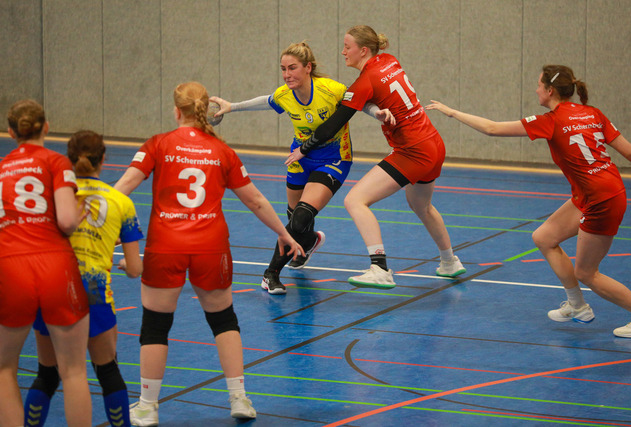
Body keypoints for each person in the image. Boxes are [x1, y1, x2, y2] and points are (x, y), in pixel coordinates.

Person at [114, 81, 304, 424]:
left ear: (177, 111)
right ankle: (239, 399)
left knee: (155, 326)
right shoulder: (222, 151)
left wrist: (98, 222)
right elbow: (255, 200)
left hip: (165, 245)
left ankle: (147, 406)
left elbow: (123, 187)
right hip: (210, 247)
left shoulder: (158, 144)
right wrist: (284, 233)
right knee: (223, 320)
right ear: (204, 110)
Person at [426, 65, 631, 338]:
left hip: (601, 199)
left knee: (587, 273)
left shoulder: (550, 120)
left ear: (550, 91)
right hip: (597, 192)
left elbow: (492, 128)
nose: (536, 89)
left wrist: (452, 112)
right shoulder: (593, 113)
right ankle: (577, 305)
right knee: (544, 237)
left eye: (539, 85)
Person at [286, 26, 466, 289]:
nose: (343, 51)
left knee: (355, 200)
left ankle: (379, 269)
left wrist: (303, 149)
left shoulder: (365, 81)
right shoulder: (389, 60)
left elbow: (331, 127)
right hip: (434, 143)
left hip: (413, 150)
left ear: (363, 50)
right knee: (421, 205)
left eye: (347, 47)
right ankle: (450, 262)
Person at [211, 41, 393, 294]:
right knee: (295, 220)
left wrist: (377, 113)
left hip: (333, 160)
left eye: (292, 68)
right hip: (299, 158)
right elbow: (266, 101)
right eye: (283, 69)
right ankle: (310, 241)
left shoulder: (331, 89)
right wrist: (232, 107)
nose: (287, 74)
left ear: (308, 67)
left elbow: (361, 102)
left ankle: (270, 274)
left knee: (301, 216)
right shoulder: (285, 95)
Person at [24, 130, 144, 427]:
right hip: (92, 290)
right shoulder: (120, 202)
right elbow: (135, 268)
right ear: (104, 159)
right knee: (108, 371)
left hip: (50, 287)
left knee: (47, 373)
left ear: (68, 158)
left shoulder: (53, 196)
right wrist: (123, 264)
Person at [0, 100, 92, 426]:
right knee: (74, 371)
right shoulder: (56, 162)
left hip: (11, 265)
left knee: (4, 369)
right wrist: (77, 215)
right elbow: (66, 220)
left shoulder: (1, 168)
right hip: (55, 265)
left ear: (11, 132)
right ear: (47, 127)